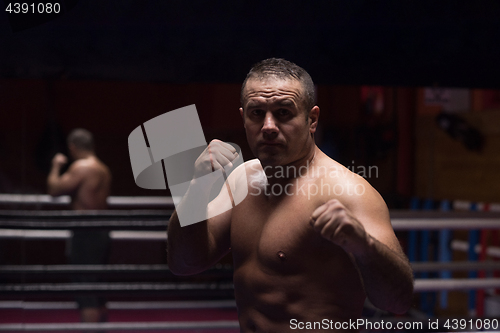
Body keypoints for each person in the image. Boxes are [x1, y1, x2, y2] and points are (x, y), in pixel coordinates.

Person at [167, 58, 413, 332]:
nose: (268, 126)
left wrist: (363, 246)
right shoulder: (240, 180)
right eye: (257, 113)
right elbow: (183, 263)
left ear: (312, 119)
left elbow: (398, 302)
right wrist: (197, 187)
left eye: (283, 113)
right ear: (243, 118)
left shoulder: (348, 192)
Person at [47, 128, 112, 324]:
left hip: (86, 234)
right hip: (102, 232)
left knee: (86, 292)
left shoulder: (81, 167)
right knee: (98, 290)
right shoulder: (103, 168)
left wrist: (55, 166)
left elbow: (54, 189)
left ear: (72, 148)